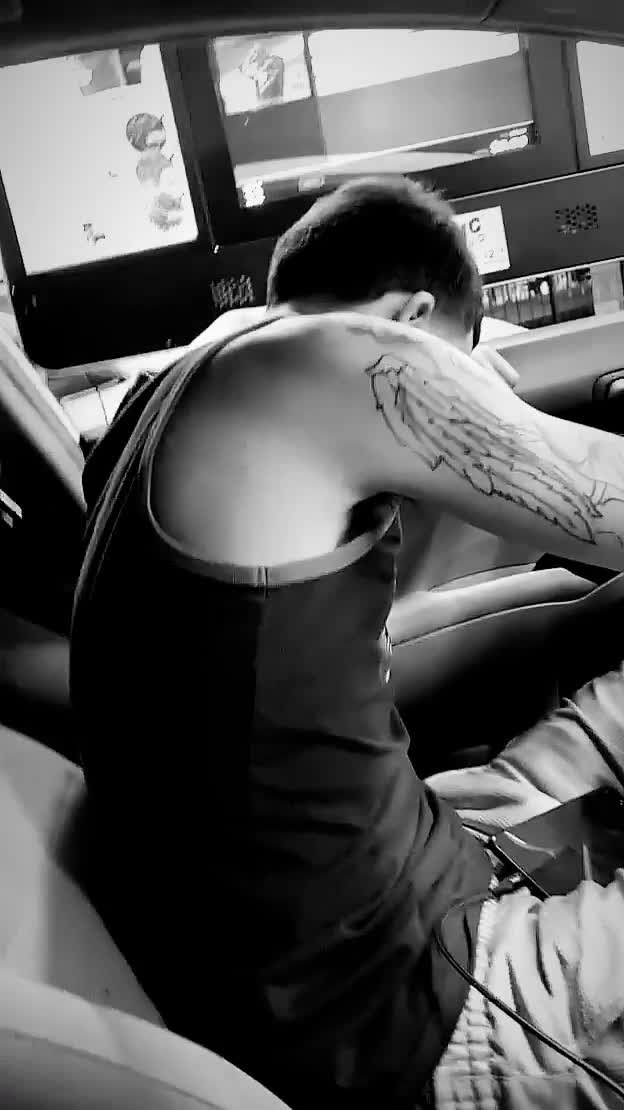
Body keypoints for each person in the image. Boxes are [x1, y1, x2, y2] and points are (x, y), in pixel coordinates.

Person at [71, 176, 624, 1110]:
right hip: (433, 1005)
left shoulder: (164, 396)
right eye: (451, 359)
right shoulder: (337, 364)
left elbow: (337, 648)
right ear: (410, 317)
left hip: (400, 897)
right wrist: (446, 385)